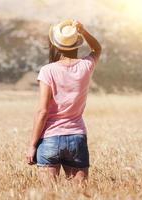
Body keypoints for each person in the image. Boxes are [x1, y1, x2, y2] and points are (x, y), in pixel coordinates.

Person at [26, 19, 102, 184]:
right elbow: (97, 48)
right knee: (81, 193)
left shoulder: (48, 71)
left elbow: (43, 111)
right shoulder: (85, 66)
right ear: (77, 44)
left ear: (56, 45)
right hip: (77, 136)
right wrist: (83, 31)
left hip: (50, 139)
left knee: (48, 195)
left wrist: (32, 145)